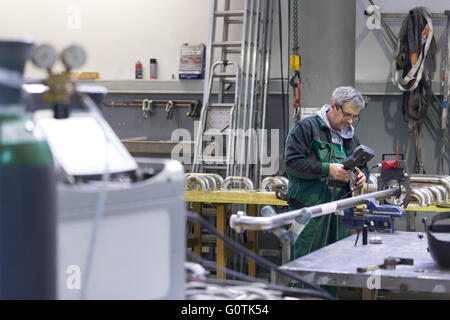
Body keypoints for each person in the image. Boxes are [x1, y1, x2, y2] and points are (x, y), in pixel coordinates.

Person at [284, 86, 369, 260]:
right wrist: (327, 169)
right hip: (309, 213)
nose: (350, 121)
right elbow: (292, 164)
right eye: (347, 115)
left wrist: (363, 175)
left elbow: (364, 165)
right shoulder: (306, 129)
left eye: (354, 116)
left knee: (335, 265)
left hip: (339, 215)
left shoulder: (350, 138)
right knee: (306, 266)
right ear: (333, 106)